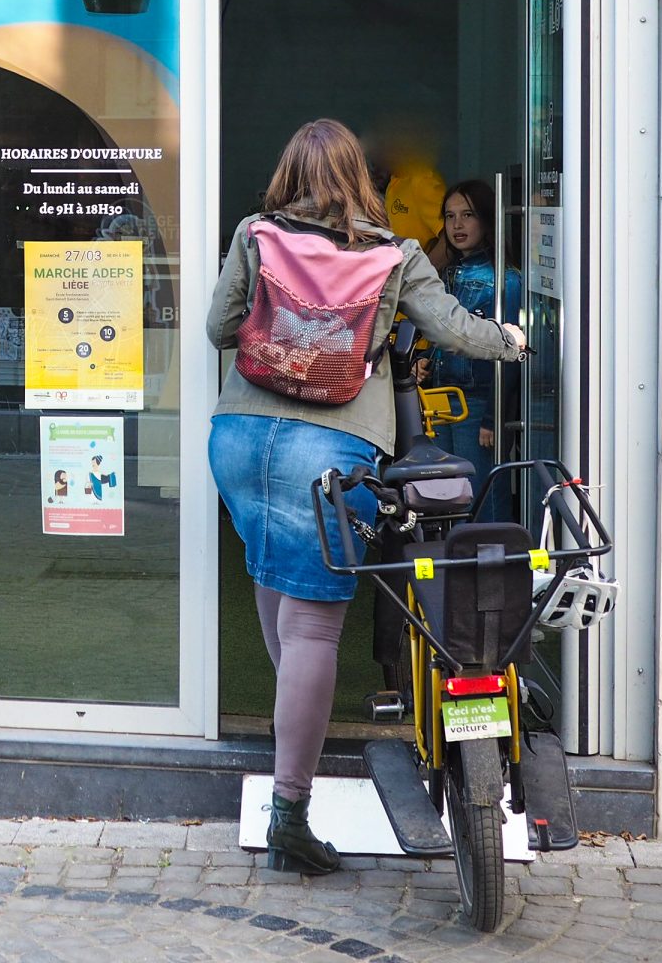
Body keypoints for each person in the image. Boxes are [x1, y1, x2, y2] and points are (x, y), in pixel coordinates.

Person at [206, 119, 525, 875]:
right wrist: (516, 340)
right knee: (314, 632)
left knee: (271, 577)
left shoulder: (256, 234)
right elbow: (456, 329)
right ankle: (290, 812)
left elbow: (221, 328)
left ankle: (291, 738)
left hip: (242, 439)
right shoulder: (395, 255)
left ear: (289, 174)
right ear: (360, 180)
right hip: (333, 453)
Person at [419, 180, 523, 512]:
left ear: (488, 220)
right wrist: (425, 358)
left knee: (481, 501)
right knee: (451, 503)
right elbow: (448, 333)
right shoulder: (449, 274)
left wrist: (494, 417)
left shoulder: (505, 280)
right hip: (441, 400)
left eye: (468, 215)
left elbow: (511, 353)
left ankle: (491, 565)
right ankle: (461, 563)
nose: (457, 225)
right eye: (449, 216)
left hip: (477, 404)